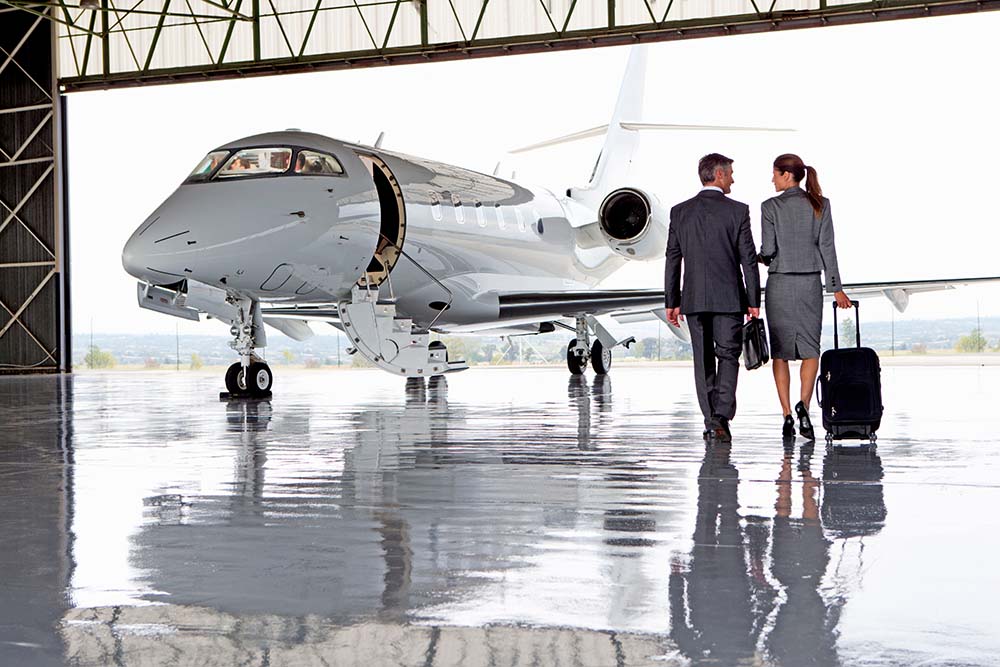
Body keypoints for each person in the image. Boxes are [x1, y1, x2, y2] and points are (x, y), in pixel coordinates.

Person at [665, 153, 760, 442]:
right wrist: (754, 300)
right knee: (728, 355)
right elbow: (749, 260)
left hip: (693, 299)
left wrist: (672, 300)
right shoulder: (738, 211)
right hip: (729, 297)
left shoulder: (679, 212)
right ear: (718, 175)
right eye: (730, 173)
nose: (733, 178)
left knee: (702, 359)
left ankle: (711, 420)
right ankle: (720, 416)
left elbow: (673, 258)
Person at [759, 154, 851, 439]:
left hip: (780, 283)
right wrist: (836, 287)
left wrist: (759, 258)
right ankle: (804, 406)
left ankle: (787, 414)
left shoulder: (769, 207)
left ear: (787, 175)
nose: (771, 179)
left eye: (774, 174)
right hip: (811, 283)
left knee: (781, 352)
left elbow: (769, 249)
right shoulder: (821, 205)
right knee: (811, 350)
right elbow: (828, 247)